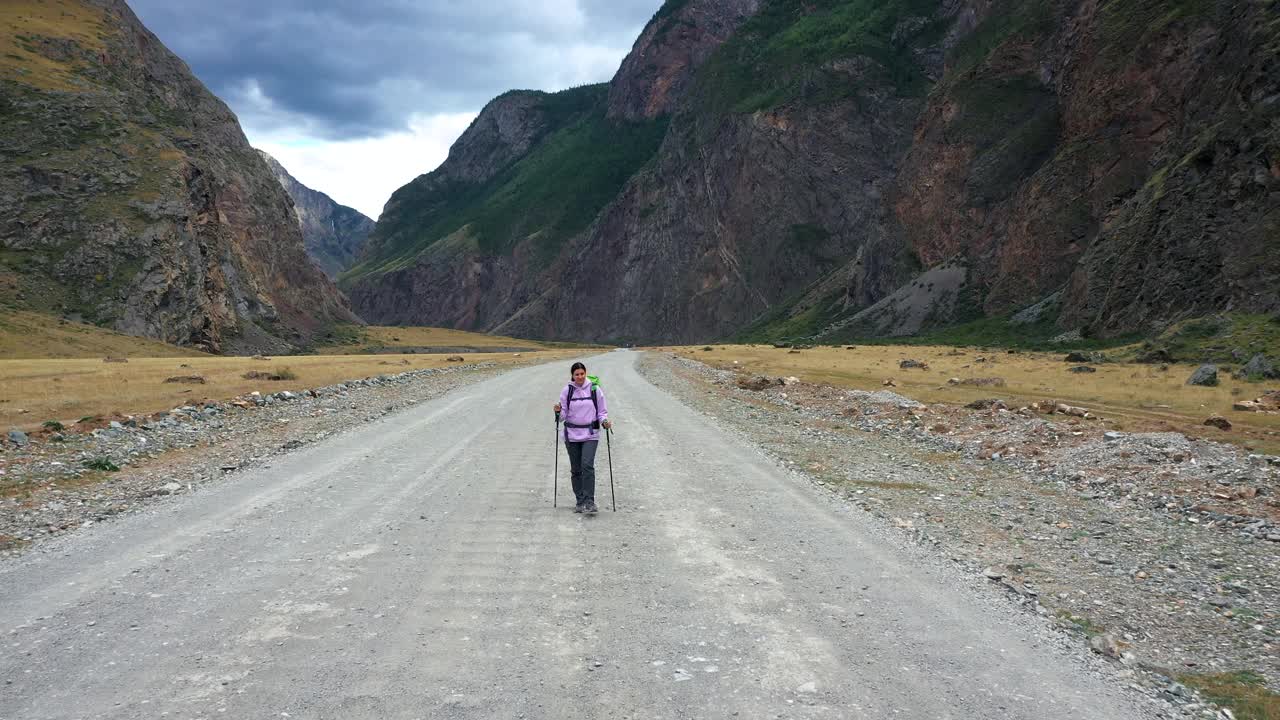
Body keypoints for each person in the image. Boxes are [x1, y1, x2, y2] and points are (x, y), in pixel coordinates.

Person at [553, 362, 611, 514]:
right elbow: (563, 416)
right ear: (572, 376)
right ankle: (580, 501)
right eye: (576, 374)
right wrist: (558, 411)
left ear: (586, 373)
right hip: (571, 435)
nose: (579, 376)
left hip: (591, 434)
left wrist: (604, 421)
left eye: (582, 373)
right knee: (576, 469)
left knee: (587, 465)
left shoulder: (595, 389)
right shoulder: (567, 391)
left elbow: (602, 411)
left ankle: (590, 501)